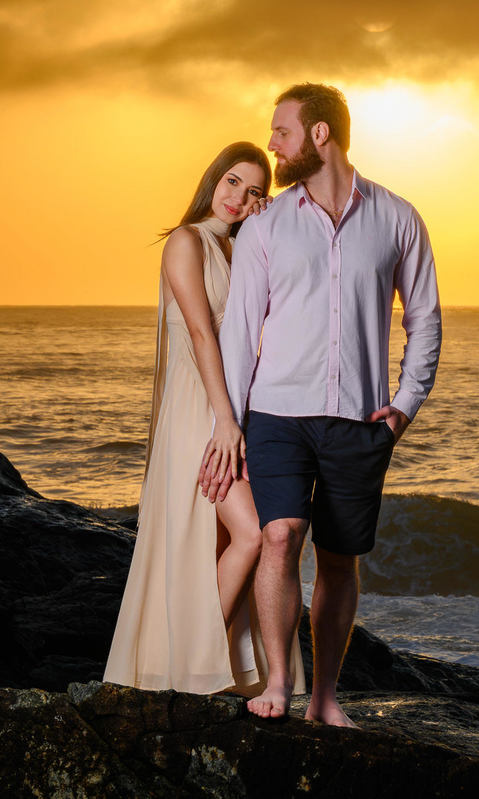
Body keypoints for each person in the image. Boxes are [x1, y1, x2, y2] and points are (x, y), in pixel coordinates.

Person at [204, 83, 442, 726]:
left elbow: (424, 318)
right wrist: (230, 424)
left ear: (319, 134)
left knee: (339, 559)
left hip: (359, 420)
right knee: (279, 536)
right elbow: (239, 331)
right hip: (275, 414)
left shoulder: (398, 219)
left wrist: (404, 405)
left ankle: (325, 699)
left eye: (281, 132)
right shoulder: (266, 225)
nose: (272, 144)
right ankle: (279, 684)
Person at [105, 142, 305, 695]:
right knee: (251, 533)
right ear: (214, 178)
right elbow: (199, 333)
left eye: (255, 191)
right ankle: (194, 665)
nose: (239, 197)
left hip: (231, 410)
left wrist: (269, 227)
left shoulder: (241, 248)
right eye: (233, 181)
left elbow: (273, 317)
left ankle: (198, 668)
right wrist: (224, 422)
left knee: (223, 541)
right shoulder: (185, 241)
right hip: (200, 411)